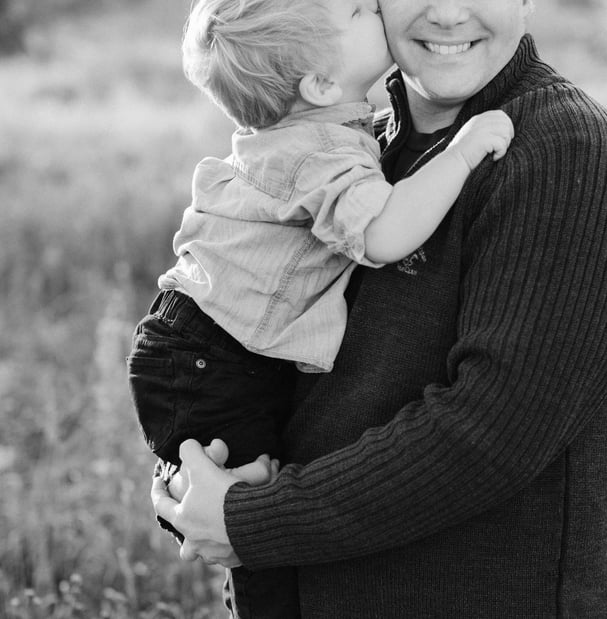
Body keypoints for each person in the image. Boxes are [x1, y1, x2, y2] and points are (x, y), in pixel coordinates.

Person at [152, 0, 607, 617]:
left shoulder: (564, 149)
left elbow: (491, 434)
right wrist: (194, 470)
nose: (447, 13)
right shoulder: (361, 138)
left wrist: (253, 520)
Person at [129, 0, 512, 615]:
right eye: (361, 11)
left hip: (199, 347)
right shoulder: (321, 152)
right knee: (249, 525)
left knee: (251, 502)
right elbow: (384, 233)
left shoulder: (320, 130)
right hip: (215, 360)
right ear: (320, 83)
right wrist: (461, 154)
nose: (377, 7)